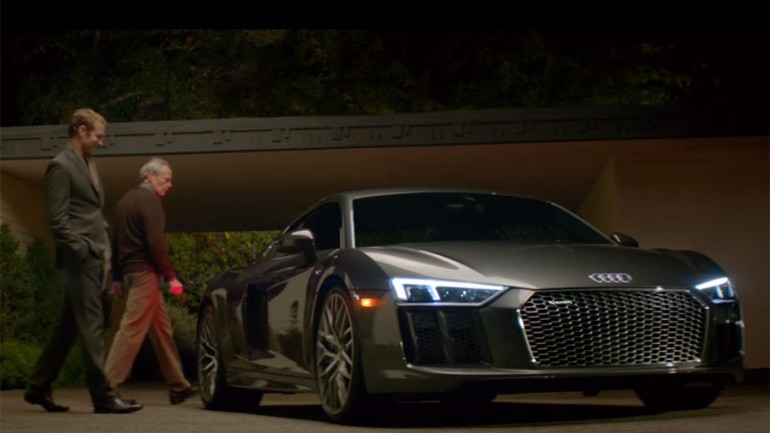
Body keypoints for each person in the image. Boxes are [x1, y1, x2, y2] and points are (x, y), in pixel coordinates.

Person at [24, 108, 143, 414]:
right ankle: (103, 397)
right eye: (98, 136)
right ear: (81, 130)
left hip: (93, 254)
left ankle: (38, 386)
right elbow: (57, 219)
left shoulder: (88, 162)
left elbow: (89, 211)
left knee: (68, 326)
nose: (101, 142)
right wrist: (82, 249)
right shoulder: (61, 166)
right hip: (81, 257)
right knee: (92, 325)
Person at [106, 157, 198, 405]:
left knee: (162, 331)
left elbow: (115, 241)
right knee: (131, 330)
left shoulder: (125, 201)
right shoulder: (150, 201)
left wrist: (117, 277)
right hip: (145, 275)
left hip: (131, 273)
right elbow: (156, 243)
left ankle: (178, 386)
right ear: (151, 176)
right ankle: (107, 388)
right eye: (166, 179)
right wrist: (171, 277)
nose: (169, 185)